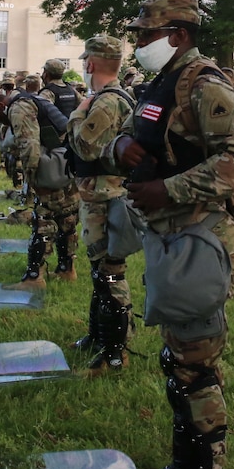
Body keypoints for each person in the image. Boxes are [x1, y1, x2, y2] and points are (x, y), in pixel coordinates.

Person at [108, 0, 234, 469]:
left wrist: (168, 189)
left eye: (147, 35)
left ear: (178, 35)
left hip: (203, 238)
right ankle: (186, 468)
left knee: (195, 368)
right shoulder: (163, 82)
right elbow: (139, 138)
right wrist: (120, 147)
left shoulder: (205, 85)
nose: (139, 44)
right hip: (172, 235)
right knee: (180, 360)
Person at [67, 36, 137, 372]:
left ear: (91, 64)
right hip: (101, 194)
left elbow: (85, 147)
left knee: (110, 274)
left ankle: (115, 350)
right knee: (100, 272)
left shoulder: (106, 103)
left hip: (107, 197)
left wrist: (77, 113)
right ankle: (99, 335)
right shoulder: (113, 97)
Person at [5, 62, 80, 287]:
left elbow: (29, 145)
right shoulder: (60, 95)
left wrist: (34, 179)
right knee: (67, 217)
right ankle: (67, 269)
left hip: (51, 165)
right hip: (70, 159)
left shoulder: (20, 107)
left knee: (43, 219)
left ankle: (34, 276)